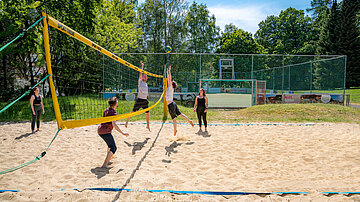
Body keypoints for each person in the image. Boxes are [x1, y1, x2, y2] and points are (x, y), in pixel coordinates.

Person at [98, 97, 129, 168]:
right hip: (105, 131)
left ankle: (108, 160)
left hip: (100, 130)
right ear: (116, 104)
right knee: (113, 148)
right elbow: (114, 124)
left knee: (110, 145)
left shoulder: (106, 110)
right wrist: (123, 133)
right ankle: (104, 165)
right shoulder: (113, 112)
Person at [166, 65, 194, 136]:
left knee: (173, 119)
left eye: (171, 82)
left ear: (172, 84)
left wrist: (168, 72)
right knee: (180, 114)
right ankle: (189, 120)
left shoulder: (170, 87)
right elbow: (169, 79)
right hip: (173, 103)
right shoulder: (171, 88)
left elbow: (169, 78)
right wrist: (168, 72)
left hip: (171, 104)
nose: (170, 81)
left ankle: (175, 130)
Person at [125, 60, 151, 131]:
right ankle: (127, 121)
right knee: (133, 112)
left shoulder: (146, 84)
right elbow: (140, 73)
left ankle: (148, 126)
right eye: (144, 76)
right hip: (139, 100)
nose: (145, 77)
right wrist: (142, 66)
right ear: (142, 78)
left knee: (147, 113)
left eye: (146, 76)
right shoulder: (140, 82)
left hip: (145, 100)